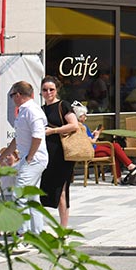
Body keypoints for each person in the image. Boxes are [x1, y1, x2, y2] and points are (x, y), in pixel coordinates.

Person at [1, 80, 50, 234]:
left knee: (18, 196)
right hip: (30, 159)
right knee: (32, 197)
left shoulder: (32, 111)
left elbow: (37, 136)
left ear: (18, 95)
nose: (12, 99)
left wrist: (29, 157)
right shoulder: (24, 111)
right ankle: (37, 234)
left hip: (33, 160)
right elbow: (18, 139)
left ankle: (23, 234)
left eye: (11, 96)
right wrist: (2, 157)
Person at [38, 78, 83, 229]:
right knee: (44, 188)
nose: (48, 93)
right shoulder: (41, 109)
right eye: (45, 90)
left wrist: (54, 131)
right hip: (46, 154)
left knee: (62, 190)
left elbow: (74, 125)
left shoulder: (63, 105)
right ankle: (37, 226)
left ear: (57, 90)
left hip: (63, 154)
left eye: (51, 89)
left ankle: (63, 228)